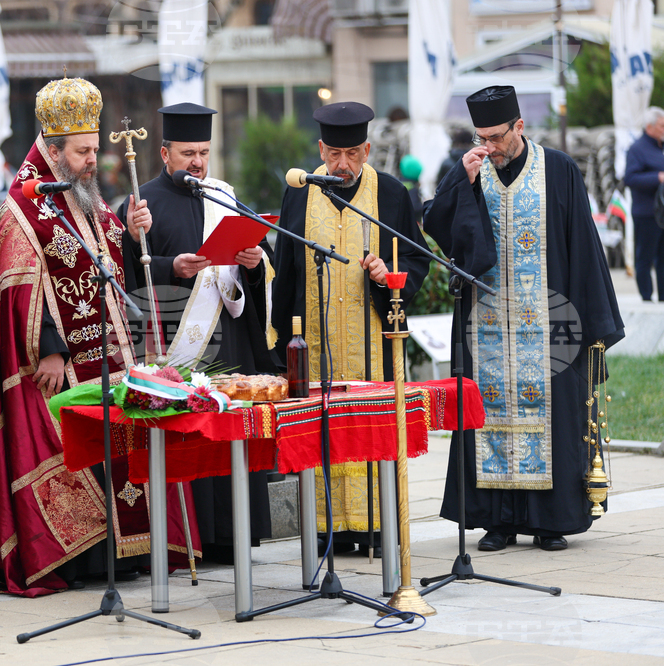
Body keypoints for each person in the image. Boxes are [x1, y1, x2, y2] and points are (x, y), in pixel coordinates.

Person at [0, 76, 196, 595]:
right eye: (82, 152)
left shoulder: (87, 199)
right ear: (53, 150)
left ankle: (125, 553)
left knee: (117, 449)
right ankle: (81, 561)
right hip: (59, 364)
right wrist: (49, 352)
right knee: (82, 453)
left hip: (111, 353)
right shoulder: (20, 208)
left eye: (94, 150)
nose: (91, 161)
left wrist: (133, 233)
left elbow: (112, 267)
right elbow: (19, 287)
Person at [423, 85, 625, 552]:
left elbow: (582, 243)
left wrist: (593, 325)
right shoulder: (471, 170)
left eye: (497, 136)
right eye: (481, 137)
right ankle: (498, 521)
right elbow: (438, 227)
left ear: (519, 126)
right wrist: (460, 181)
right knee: (487, 414)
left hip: (551, 321)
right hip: (486, 321)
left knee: (555, 415)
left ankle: (550, 521)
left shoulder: (558, 168)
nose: (489, 146)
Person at [117, 102, 277, 562]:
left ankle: (235, 535)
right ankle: (191, 537)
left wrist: (254, 263)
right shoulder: (141, 204)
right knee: (192, 437)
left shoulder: (223, 196)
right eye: (188, 153)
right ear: (164, 154)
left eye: (204, 152)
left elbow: (263, 266)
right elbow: (126, 274)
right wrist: (171, 266)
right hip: (176, 338)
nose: (198, 162)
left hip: (233, 336)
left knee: (229, 433)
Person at [272, 102, 430, 554]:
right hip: (315, 344)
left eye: (353, 154)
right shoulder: (299, 192)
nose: (343, 165)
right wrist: (278, 343)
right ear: (321, 149)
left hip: (372, 343)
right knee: (320, 424)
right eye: (335, 154)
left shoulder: (392, 194)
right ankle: (328, 529)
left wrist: (386, 276)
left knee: (370, 422)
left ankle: (375, 524)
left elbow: (416, 259)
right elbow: (285, 270)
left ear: (367, 151)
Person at [623, 106, 664, 302]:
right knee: (645, 257)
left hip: (662, 213)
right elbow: (630, 178)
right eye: (662, 126)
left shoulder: (660, 147)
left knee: (663, 258)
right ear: (649, 127)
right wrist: (658, 177)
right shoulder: (637, 149)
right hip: (647, 213)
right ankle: (646, 297)